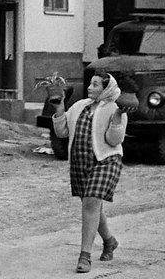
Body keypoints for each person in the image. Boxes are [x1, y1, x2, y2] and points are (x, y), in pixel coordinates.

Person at [52, 71, 129, 273]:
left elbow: (114, 140)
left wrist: (117, 117)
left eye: (95, 85)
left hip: (107, 161)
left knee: (91, 202)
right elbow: (62, 132)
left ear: (106, 89)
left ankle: (84, 256)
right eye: (90, 83)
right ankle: (109, 241)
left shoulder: (116, 109)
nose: (90, 87)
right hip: (80, 163)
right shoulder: (79, 106)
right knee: (92, 206)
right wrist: (59, 108)